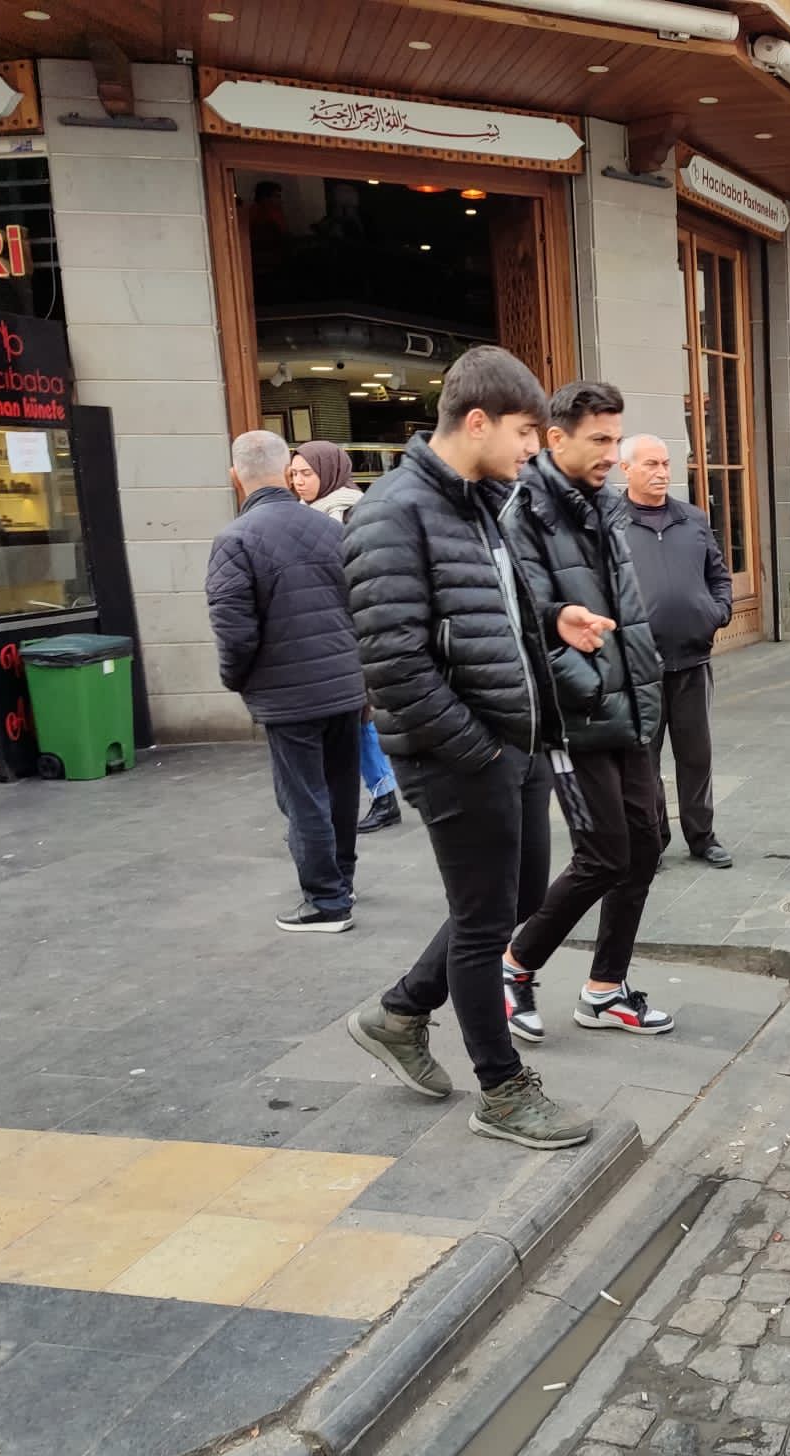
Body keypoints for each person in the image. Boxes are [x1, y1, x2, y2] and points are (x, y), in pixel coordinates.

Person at [344, 344, 597, 1147]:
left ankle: (400, 1013)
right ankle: (502, 1090)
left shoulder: (480, 501)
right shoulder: (393, 513)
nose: (534, 448)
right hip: (461, 755)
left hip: (508, 743)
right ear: (478, 420)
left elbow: (484, 614)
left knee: (512, 904)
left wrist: (551, 622)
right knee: (486, 924)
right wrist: (480, 752)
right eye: (527, 431)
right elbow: (392, 663)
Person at [502, 381, 675, 1041]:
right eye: (598, 440)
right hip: (577, 717)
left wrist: (637, 683)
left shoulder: (604, 507)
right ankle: (514, 965)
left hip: (630, 709)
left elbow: (623, 614)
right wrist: (592, 683)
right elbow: (529, 626)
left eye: (615, 438)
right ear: (556, 438)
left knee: (648, 843)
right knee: (604, 852)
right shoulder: (525, 515)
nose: (612, 452)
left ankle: (605, 988)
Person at [206, 430, 366, 933]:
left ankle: (326, 901)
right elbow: (364, 605)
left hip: (287, 693)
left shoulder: (234, 540)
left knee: (303, 797)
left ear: (236, 477)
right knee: (341, 788)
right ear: (285, 472)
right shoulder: (332, 529)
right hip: (344, 682)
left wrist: (237, 679)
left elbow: (234, 629)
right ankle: (342, 878)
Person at [620, 433, 734, 871]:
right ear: (625, 468)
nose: (662, 472)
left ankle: (702, 837)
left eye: (666, 463)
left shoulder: (692, 519)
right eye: (650, 464)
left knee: (696, 756)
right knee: (644, 761)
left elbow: (718, 574)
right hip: (638, 667)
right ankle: (652, 841)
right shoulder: (612, 523)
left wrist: (718, 611)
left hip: (692, 660)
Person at [288, 442, 400, 835]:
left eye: (307, 473)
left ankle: (384, 795)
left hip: (355, 630)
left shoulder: (352, 511)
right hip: (329, 630)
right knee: (354, 717)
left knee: (360, 715)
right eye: (295, 474)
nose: (299, 482)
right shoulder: (303, 515)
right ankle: (380, 794)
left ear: (329, 471)